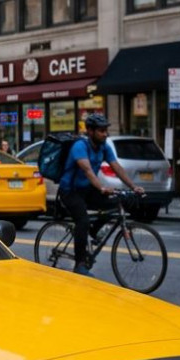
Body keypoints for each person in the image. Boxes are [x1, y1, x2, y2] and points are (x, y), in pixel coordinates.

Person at [58, 114, 145, 276]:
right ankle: (79, 264)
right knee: (82, 221)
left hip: (87, 189)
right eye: (101, 131)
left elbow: (117, 168)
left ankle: (93, 230)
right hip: (70, 191)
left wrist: (134, 186)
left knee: (115, 202)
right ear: (90, 131)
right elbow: (87, 170)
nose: (105, 134)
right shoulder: (80, 146)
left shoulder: (104, 146)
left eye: (106, 130)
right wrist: (102, 188)